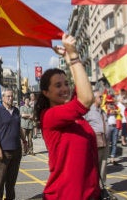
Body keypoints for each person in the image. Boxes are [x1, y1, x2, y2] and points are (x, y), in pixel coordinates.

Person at [33, 33, 100, 199]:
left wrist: (68, 56)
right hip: (64, 195)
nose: (65, 88)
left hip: (89, 194)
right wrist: (75, 54)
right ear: (46, 92)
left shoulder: (71, 112)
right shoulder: (50, 116)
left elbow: (80, 88)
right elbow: (86, 99)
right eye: (58, 85)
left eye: (66, 83)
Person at [0, 89, 28, 200]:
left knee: (11, 182)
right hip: (3, 151)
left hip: (16, 150)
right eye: (8, 96)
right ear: (3, 98)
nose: (10, 98)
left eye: (12, 96)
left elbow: (19, 128)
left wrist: (24, 141)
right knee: (0, 181)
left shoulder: (16, 111)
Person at [85, 90, 108, 180]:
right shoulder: (88, 111)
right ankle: (94, 186)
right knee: (94, 166)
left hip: (105, 141)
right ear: (94, 98)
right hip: (95, 142)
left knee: (103, 165)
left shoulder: (102, 111)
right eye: (100, 97)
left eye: (102, 97)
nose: (102, 98)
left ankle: (102, 186)